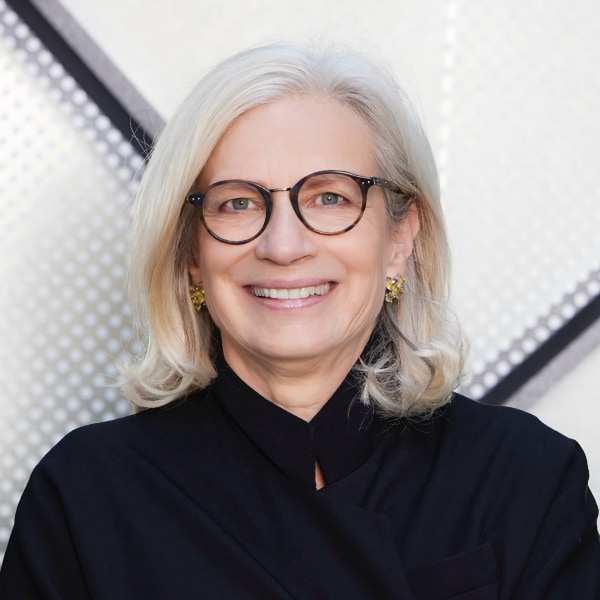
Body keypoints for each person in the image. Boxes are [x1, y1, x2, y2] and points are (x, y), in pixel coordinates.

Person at [0, 43, 598, 599]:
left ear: (399, 239)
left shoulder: (526, 480)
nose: (283, 246)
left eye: (330, 198)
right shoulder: (85, 498)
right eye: (237, 202)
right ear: (189, 254)